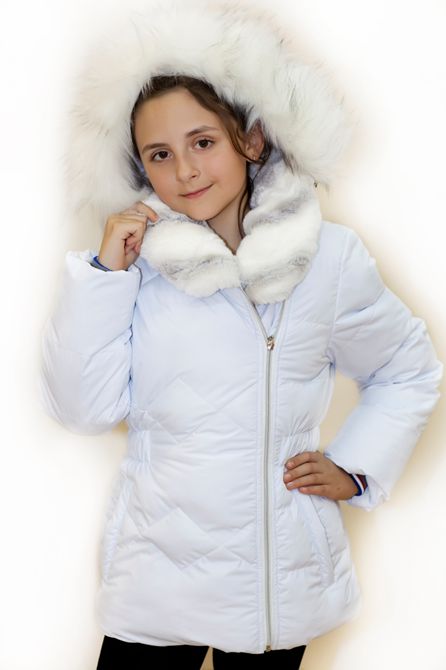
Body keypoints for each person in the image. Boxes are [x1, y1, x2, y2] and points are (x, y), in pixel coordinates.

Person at [38, 1, 443, 668]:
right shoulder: (134, 267)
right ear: (141, 168)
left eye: (202, 142)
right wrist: (105, 275)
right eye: (160, 154)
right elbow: (83, 410)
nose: (186, 171)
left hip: (275, 583)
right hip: (157, 577)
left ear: (250, 140)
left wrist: (356, 467)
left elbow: (407, 369)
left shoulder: (328, 259)